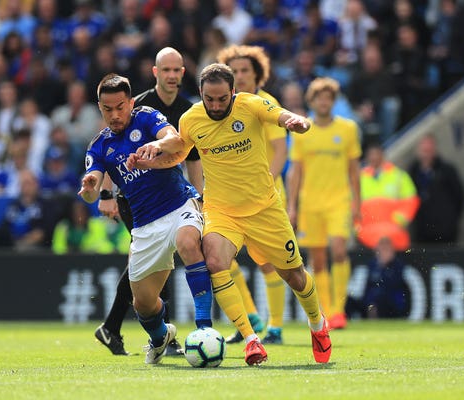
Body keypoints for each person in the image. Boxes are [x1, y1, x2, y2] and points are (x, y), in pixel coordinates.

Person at [129, 63, 332, 364]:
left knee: (294, 276)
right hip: (223, 212)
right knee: (214, 260)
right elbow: (180, 154)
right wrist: (150, 163)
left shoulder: (250, 104)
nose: (216, 105)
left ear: (233, 92)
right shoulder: (191, 119)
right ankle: (251, 340)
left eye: (222, 99)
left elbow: (279, 115)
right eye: (209, 99)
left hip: (265, 209)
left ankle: (318, 325)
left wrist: (296, 121)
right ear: (201, 94)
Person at [79, 73, 213, 365]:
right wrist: (90, 188)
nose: (115, 115)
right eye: (107, 109)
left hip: (179, 204)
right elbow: (92, 188)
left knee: (189, 243)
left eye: (120, 107)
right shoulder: (98, 146)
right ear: (100, 107)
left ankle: (205, 329)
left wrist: (158, 146)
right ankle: (160, 336)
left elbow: (174, 139)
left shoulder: (147, 116)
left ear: (130, 102)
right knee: (143, 304)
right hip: (145, 225)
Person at [216, 44, 288, 344]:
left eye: (246, 70)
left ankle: (275, 327)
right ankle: (250, 317)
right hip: (231, 199)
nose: (241, 76)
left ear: (258, 74)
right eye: (236, 71)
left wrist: (263, 185)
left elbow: (281, 152)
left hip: (263, 196)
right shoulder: (222, 106)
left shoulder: (265, 103)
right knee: (221, 258)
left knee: (269, 263)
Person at [287, 77, 361, 331]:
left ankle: (339, 311)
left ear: (333, 101)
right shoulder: (302, 130)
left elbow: (354, 169)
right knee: (317, 260)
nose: (324, 102)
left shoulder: (348, 129)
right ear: (312, 101)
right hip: (311, 202)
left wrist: (358, 203)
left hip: (339, 200)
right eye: (320, 98)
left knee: (339, 250)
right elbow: (295, 172)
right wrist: (293, 206)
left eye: (329, 98)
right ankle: (327, 311)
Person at [357, 141, 419, 251]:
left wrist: (399, 220)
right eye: (371, 154)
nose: (374, 157)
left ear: (382, 155)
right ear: (367, 157)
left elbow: (411, 200)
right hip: (367, 236)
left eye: (376, 154)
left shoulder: (398, 176)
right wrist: (358, 227)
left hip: (393, 234)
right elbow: (351, 204)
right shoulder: (360, 178)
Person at [407, 134, 464, 245]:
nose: (426, 154)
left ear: (434, 150)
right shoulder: (413, 171)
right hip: (421, 230)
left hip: (445, 231)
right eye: (424, 150)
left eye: (429, 150)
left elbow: (461, 196)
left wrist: (451, 219)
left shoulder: (447, 170)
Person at [361, 236, 409, 319]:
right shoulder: (371, 265)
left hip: (393, 298)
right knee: (371, 300)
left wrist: (385, 267)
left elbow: (397, 283)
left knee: (396, 298)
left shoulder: (398, 265)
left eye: (387, 249)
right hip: (376, 299)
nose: (384, 252)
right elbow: (367, 286)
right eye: (382, 249)